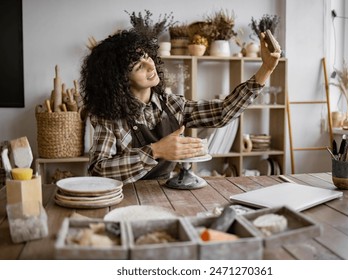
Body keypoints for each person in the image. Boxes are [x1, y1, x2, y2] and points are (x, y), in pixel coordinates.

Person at [80, 28, 281, 184]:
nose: (151, 67)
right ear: (119, 80)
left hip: (165, 192)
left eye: (147, 57)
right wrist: (156, 151)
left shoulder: (173, 104)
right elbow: (98, 170)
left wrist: (266, 69)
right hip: (125, 197)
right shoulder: (108, 117)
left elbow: (222, 113)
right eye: (139, 66)